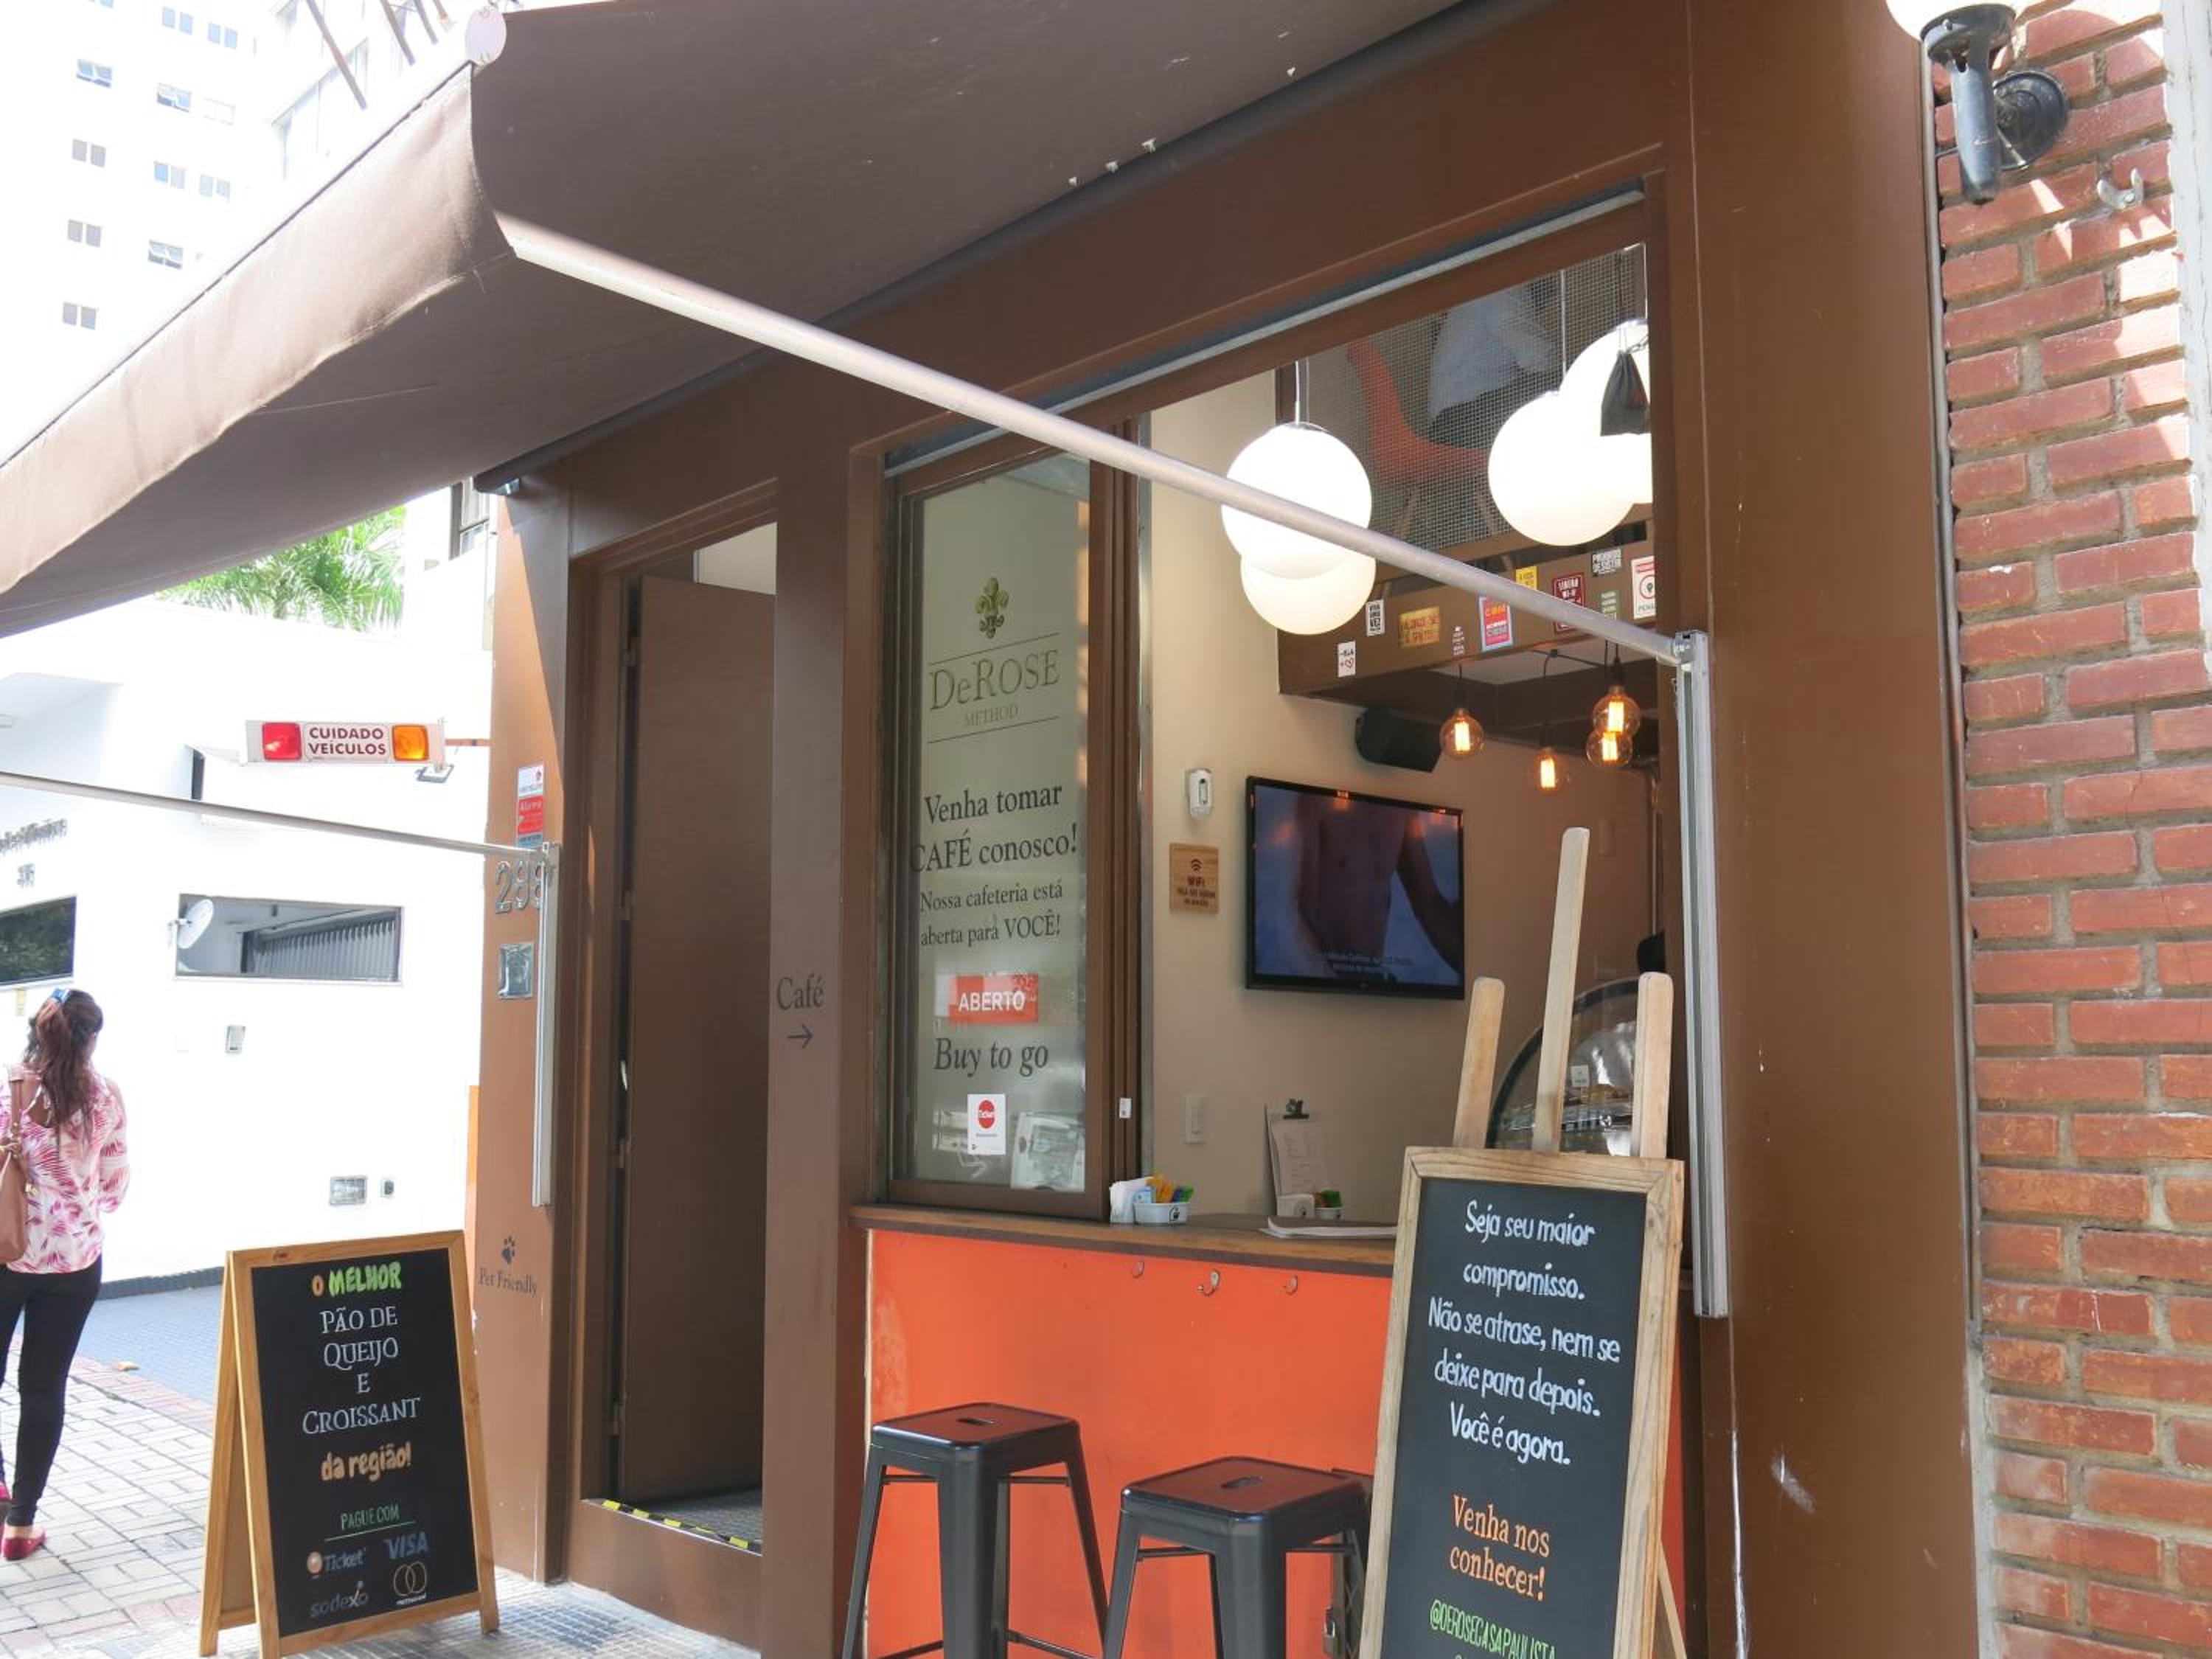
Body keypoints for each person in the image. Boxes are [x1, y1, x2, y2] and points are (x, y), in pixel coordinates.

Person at [0, 990, 128, 1563]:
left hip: (6, 1253)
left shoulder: (6, 1087)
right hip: (75, 1262)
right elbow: (115, 1187)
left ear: (37, 1031)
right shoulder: (106, 1096)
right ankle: (21, 1526)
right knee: (44, 1387)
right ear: (91, 1038)